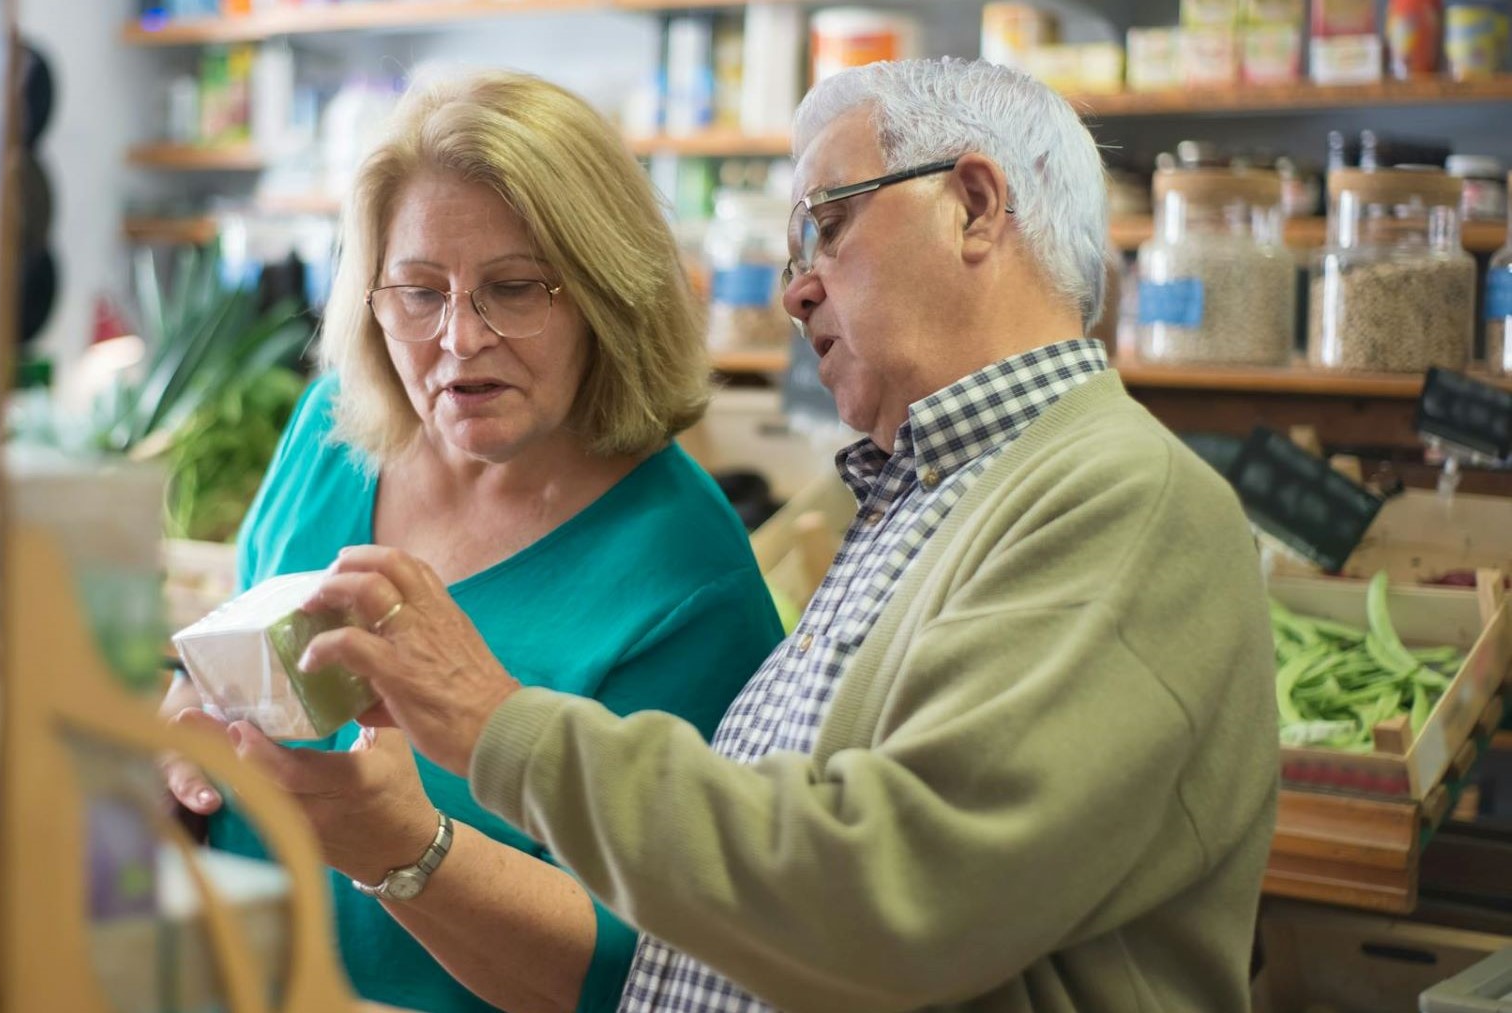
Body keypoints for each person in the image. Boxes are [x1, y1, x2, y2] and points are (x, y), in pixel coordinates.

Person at [299, 58, 1280, 1011]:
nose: (795, 289)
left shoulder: (1122, 499)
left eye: (826, 225)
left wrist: (495, 723)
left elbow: (896, 894)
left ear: (975, 206)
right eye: (420, 292)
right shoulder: (941, 492)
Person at [158, 69, 785, 1013]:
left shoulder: (690, 584)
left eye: (514, 288)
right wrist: (184, 718)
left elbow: (651, 972)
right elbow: (230, 654)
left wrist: (407, 853)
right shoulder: (332, 433)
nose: (458, 338)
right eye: (417, 291)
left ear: (610, 296)